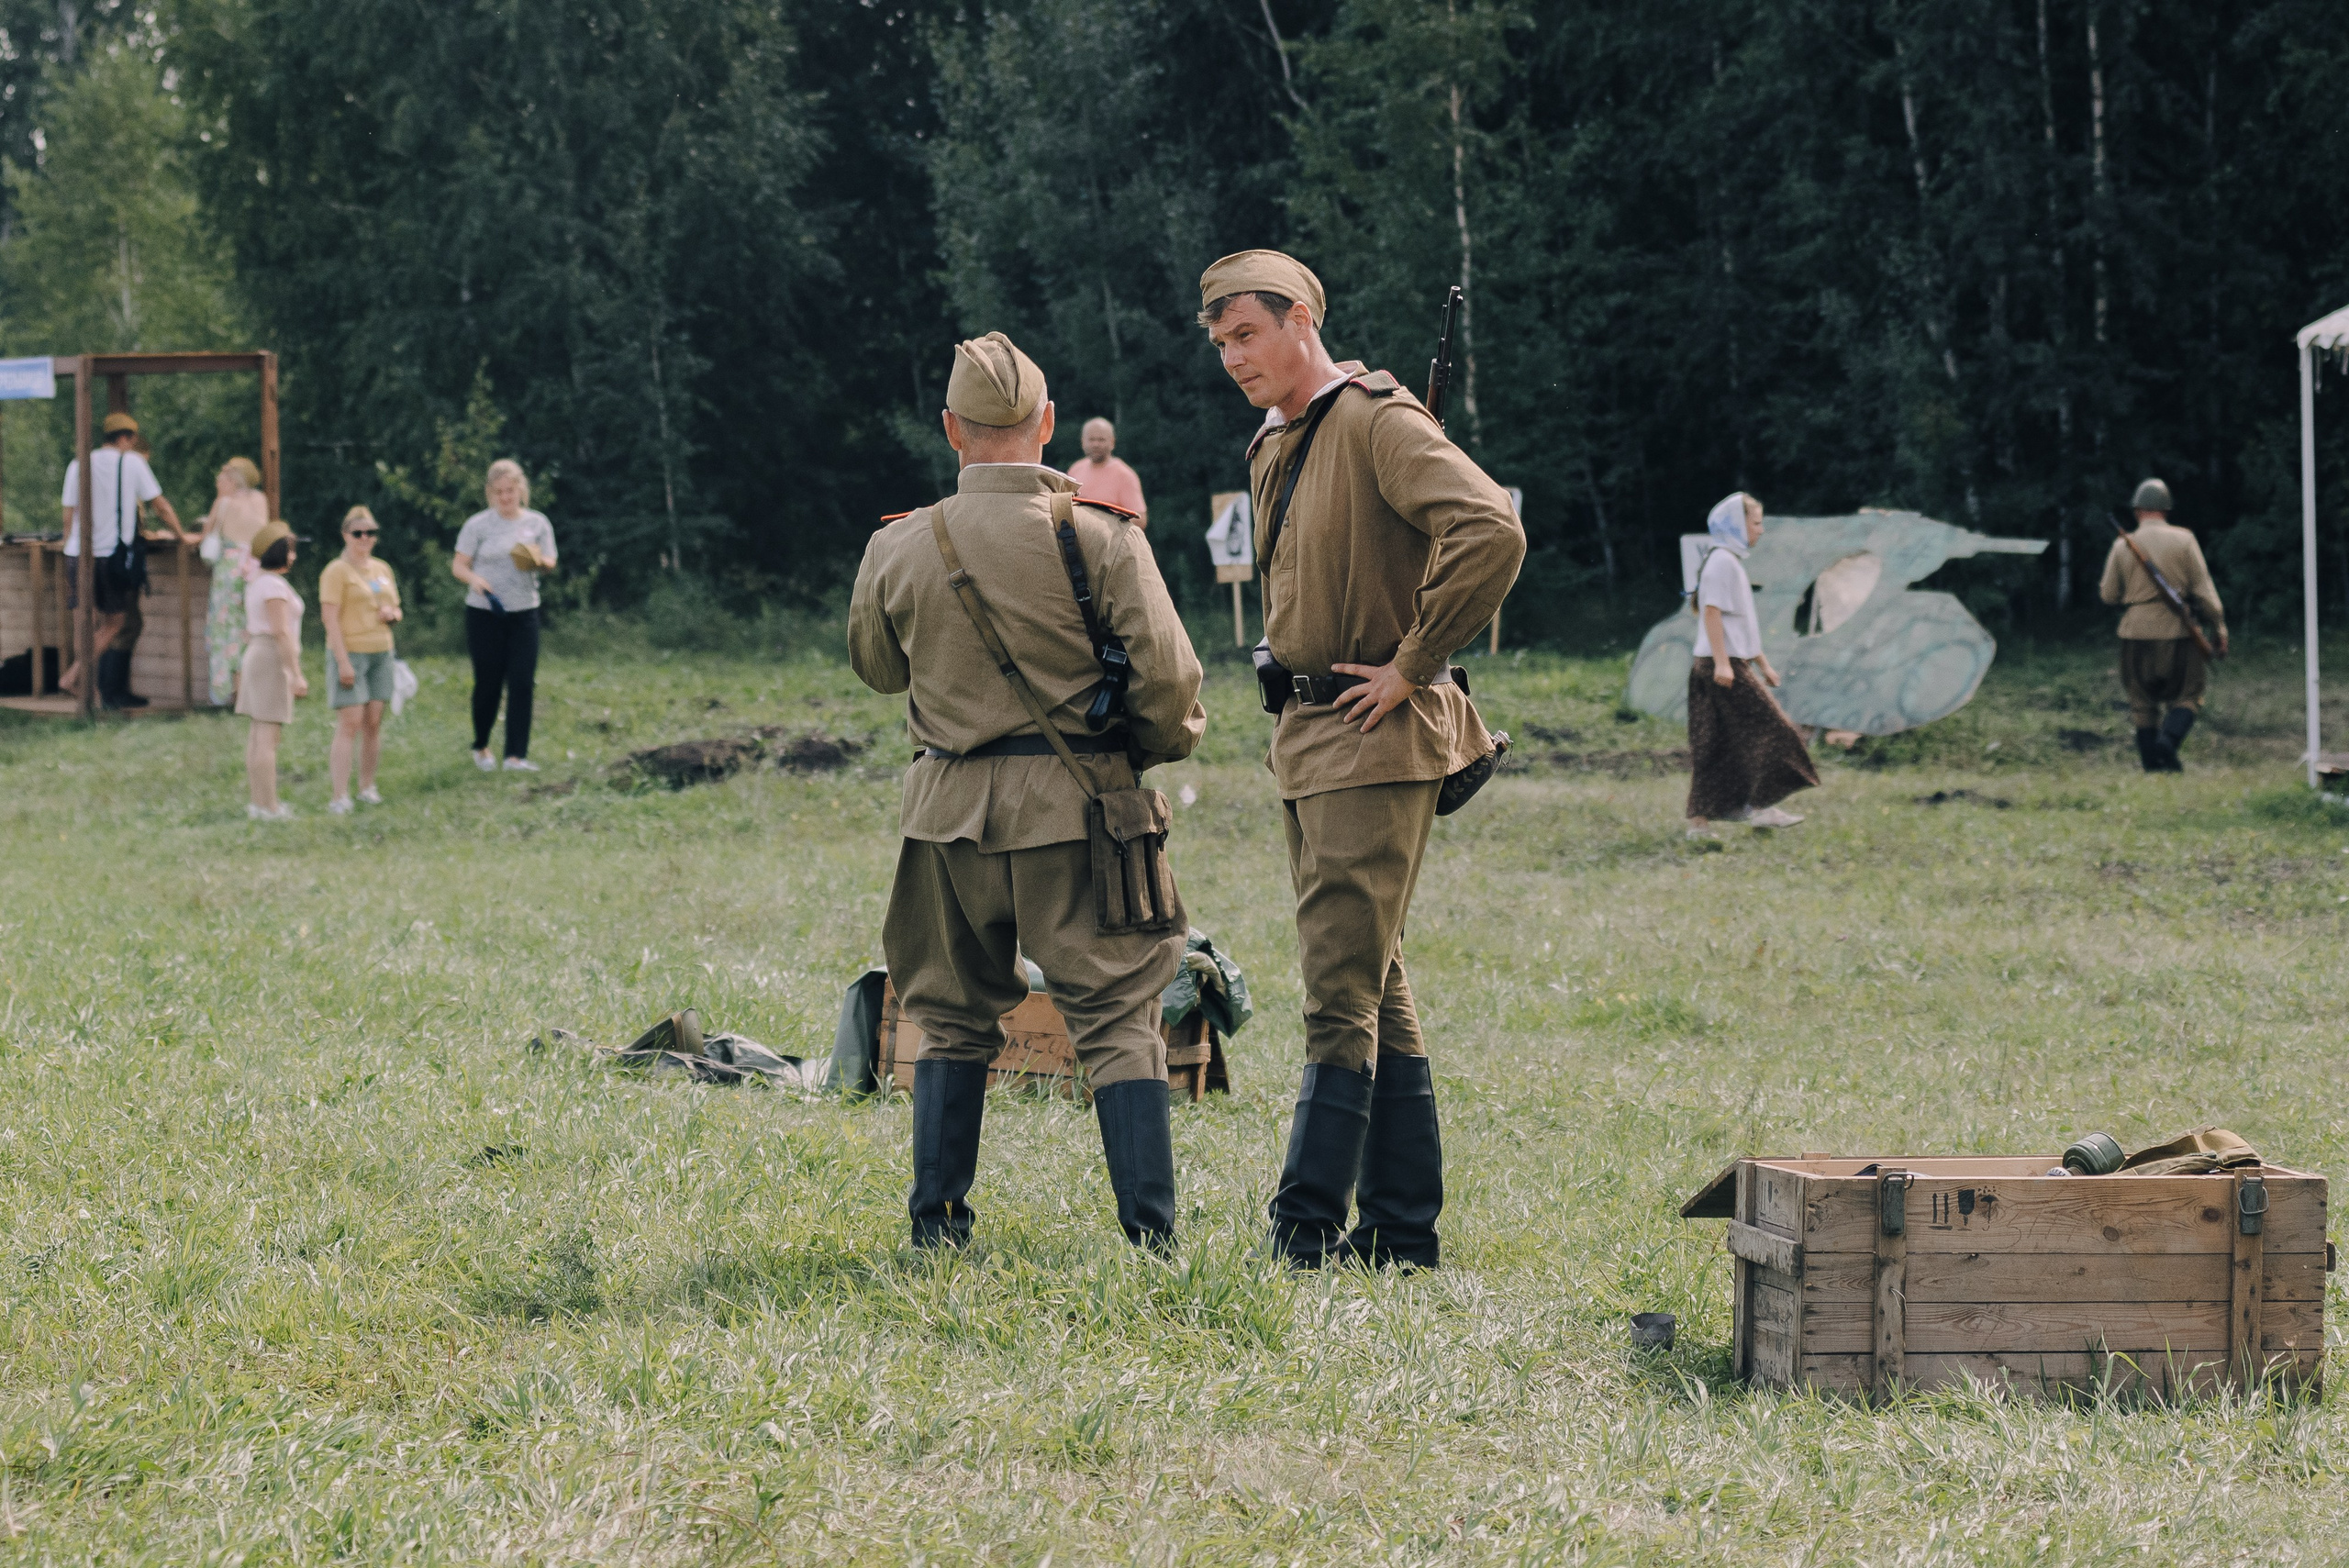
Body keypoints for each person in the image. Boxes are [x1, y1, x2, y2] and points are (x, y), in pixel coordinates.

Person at [1198, 250, 1523, 1270]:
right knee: (1371, 979)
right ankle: (1400, 1230)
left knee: (1337, 989)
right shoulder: (1278, 438)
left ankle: (1303, 1230)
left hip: (1368, 736)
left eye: (1247, 333)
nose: (1232, 357)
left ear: (1303, 319)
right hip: (1307, 737)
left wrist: (1413, 663)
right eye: (1219, 342)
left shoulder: (1376, 419)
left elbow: (1489, 528)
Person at [849, 331, 1205, 1252]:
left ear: (950, 430)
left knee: (948, 1015)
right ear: (1047, 425)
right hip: (1081, 813)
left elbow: (878, 671)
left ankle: (936, 1229)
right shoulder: (1101, 536)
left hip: (946, 818)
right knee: (1119, 1015)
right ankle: (1150, 1240)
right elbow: (1170, 681)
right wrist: (1150, 747)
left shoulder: (898, 546)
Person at [1684, 492, 1818, 837]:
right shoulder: (1722, 562)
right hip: (1721, 667)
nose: (1760, 530)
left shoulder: (1728, 561)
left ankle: (1703, 823)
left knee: (1716, 741)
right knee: (1776, 731)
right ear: (1736, 525)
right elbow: (1711, 613)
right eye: (1755, 522)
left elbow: (1740, 623)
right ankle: (1761, 807)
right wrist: (1724, 665)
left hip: (1726, 663)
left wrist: (1763, 664)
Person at [59, 411, 189, 708]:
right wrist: (181, 535)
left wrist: (68, 539)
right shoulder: (131, 463)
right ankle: (74, 677)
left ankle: (88, 689)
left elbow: (69, 510)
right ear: (125, 438)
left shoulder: (79, 462)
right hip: (109, 557)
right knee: (116, 622)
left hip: (77, 554)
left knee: (87, 623)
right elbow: (161, 505)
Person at [2099, 477, 2227, 772]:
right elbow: (2204, 591)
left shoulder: (2122, 545)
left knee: (2142, 704)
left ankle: (2152, 766)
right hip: (2179, 632)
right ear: (2166, 509)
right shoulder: (2184, 540)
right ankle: (2167, 745)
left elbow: (2108, 595)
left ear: (2137, 510)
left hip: (2134, 635)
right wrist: (2219, 627)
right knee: (2189, 695)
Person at [451, 458, 556, 772]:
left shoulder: (538, 523)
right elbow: (459, 565)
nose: (505, 497)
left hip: (524, 612)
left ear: (521, 490)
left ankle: (515, 756)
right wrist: (475, 580)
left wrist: (538, 561)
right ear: (490, 493)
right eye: (499, 492)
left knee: (522, 681)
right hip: (485, 612)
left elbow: (550, 561)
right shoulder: (477, 525)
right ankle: (481, 745)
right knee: (488, 682)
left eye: (510, 490)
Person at [319, 506, 403, 813]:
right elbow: (330, 619)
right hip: (351, 652)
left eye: (370, 533)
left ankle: (367, 786)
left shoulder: (381, 569)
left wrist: (391, 614)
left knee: (373, 722)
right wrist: (343, 662)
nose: (364, 538)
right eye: (358, 533)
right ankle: (339, 796)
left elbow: (396, 607)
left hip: (381, 650)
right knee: (350, 723)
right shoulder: (336, 571)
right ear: (346, 535)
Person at [237, 520, 307, 820]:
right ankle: (270, 807)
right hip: (270, 658)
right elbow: (281, 632)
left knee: (258, 733)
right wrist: (295, 672)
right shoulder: (274, 586)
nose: (294, 555)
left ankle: (259, 802)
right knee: (268, 737)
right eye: (290, 549)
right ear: (281, 553)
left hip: (256, 654)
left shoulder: (257, 581)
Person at [197, 457, 270, 706]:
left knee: (225, 627)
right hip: (254, 566)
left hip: (229, 569)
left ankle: (230, 690)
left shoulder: (224, 503)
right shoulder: (261, 500)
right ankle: (252, 688)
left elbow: (207, 534)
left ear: (232, 480)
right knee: (250, 624)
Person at [1065, 417, 1148, 523]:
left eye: (1101, 440)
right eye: (1091, 440)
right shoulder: (1075, 470)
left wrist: (1107, 531)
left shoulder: (1124, 475)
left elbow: (1140, 520)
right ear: (1083, 442)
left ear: (1112, 442)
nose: (1096, 444)